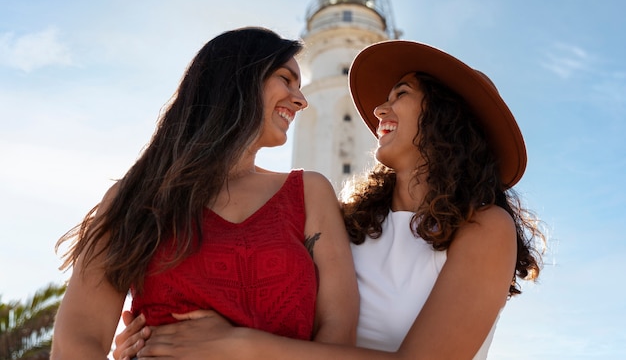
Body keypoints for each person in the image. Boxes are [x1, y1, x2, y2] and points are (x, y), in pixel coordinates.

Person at [114, 40, 545, 360]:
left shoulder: (484, 227)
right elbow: (261, 296)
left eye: (401, 95)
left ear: (447, 118)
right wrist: (153, 334)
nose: (379, 109)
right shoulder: (343, 220)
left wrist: (238, 346)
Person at [51, 27, 359, 359]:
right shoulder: (136, 197)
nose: (300, 100)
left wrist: (241, 346)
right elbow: (78, 339)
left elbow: (339, 336)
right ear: (236, 79)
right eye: (286, 79)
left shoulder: (309, 192)